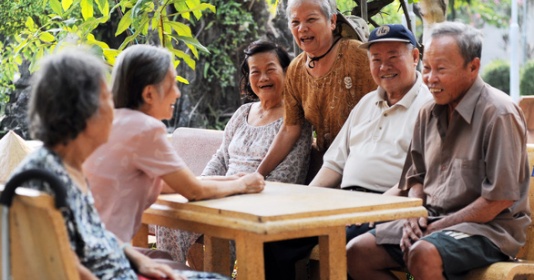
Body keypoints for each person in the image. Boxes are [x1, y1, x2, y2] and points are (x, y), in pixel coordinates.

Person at [346, 21, 531, 280]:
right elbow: (416, 179)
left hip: (489, 229)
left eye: (441, 69)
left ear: (473, 67)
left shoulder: (498, 113)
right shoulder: (427, 112)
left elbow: (498, 200)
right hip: (431, 219)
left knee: (422, 252)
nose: (430, 79)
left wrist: (435, 226)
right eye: (427, 68)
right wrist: (414, 214)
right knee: (357, 252)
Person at [263, 24, 433, 280]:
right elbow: (334, 164)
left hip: (388, 205)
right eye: (376, 59)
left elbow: (416, 179)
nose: (384, 66)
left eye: (393, 56)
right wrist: (302, 203)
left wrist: (367, 209)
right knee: (275, 233)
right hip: (345, 202)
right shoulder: (367, 103)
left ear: (415, 57)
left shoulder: (429, 107)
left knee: (342, 243)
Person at [11, 48, 184, 280]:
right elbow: (63, 264)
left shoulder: (67, 168)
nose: (114, 111)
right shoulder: (46, 179)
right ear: (83, 112)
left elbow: (96, 233)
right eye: (106, 101)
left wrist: (140, 260)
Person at [83, 45, 265, 246]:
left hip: (84, 254)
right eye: (172, 84)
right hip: (108, 264)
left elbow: (171, 185)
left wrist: (229, 179)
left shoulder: (105, 123)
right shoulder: (145, 129)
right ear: (149, 94)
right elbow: (194, 191)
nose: (177, 93)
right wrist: (242, 185)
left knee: (160, 259)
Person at [156, 40, 312, 264]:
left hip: (255, 205)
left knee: (215, 230)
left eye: (270, 70)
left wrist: (231, 192)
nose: (263, 78)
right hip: (221, 194)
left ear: (287, 72)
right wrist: (205, 187)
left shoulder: (295, 120)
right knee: (168, 220)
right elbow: (220, 158)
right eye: (255, 72)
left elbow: (289, 176)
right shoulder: (243, 113)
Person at [256, 0, 376, 180]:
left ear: (332, 21)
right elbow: (290, 129)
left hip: (367, 162)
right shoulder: (295, 70)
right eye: (295, 22)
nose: (302, 28)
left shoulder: (358, 55)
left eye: (311, 20)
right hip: (328, 166)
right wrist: (258, 173)